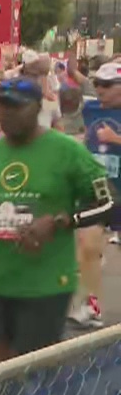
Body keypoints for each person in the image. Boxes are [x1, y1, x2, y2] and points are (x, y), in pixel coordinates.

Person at [0, 77, 112, 366]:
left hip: (45, 285)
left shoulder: (67, 151)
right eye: (3, 107)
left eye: (17, 107)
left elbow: (109, 203)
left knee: (30, 369)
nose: (8, 114)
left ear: (38, 108)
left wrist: (60, 221)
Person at [75, 61, 121, 325]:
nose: (100, 89)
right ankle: (92, 305)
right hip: (97, 188)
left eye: (106, 85)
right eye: (97, 84)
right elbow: (85, 135)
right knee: (88, 245)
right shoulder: (90, 108)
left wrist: (115, 140)